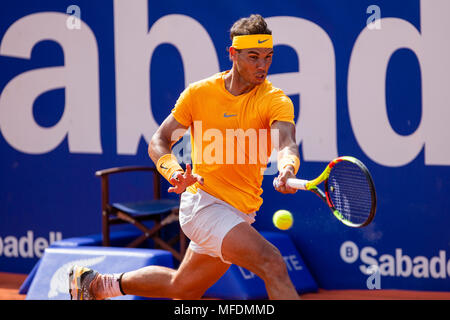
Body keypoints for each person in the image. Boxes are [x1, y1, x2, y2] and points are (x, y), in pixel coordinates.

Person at [69, 14, 301, 300]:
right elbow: (159, 141)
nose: (262, 65)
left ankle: (94, 284)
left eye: (268, 57)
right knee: (272, 263)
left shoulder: (274, 99)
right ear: (233, 54)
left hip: (240, 210)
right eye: (253, 56)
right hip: (204, 203)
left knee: (182, 287)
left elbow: (286, 142)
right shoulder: (199, 94)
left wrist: (287, 168)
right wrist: (173, 172)